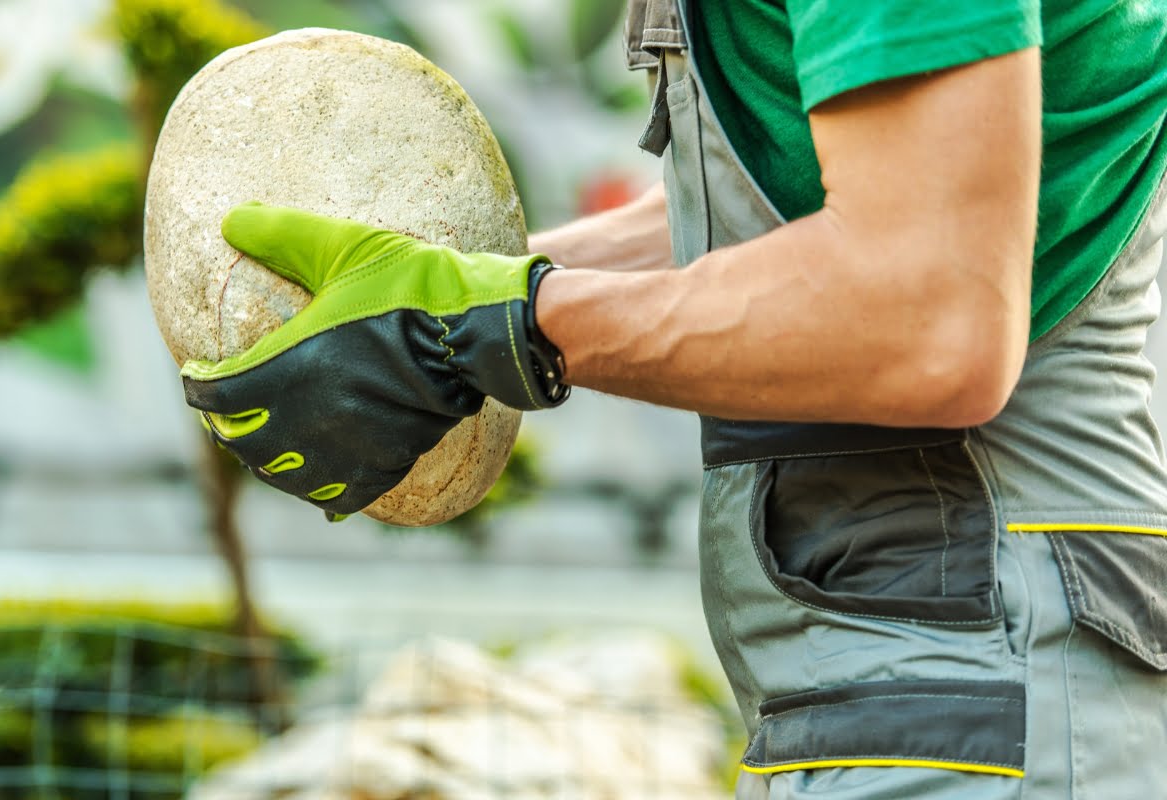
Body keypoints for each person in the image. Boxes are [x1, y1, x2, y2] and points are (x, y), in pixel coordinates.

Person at [181, 1, 1167, 797]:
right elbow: (807, 217)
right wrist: (438, 294)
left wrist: (497, 324)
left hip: (997, 680)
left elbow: (928, 313)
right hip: (910, 679)